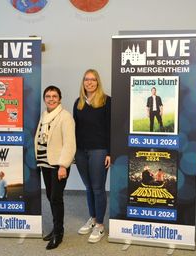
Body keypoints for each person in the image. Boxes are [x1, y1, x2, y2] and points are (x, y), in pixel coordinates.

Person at [34, 85, 76, 250]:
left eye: (54, 96)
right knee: (51, 198)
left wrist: (63, 166)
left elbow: (70, 144)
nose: (51, 99)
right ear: (45, 99)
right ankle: (55, 228)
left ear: (60, 99)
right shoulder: (45, 115)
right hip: (45, 162)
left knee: (56, 198)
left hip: (58, 164)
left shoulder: (65, 117)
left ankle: (59, 233)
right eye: (48, 96)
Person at [73, 69, 111, 243]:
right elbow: (75, 129)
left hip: (99, 150)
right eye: (86, 79)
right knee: (88, 188)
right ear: (83, 82)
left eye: (93, 79)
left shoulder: (106, 101)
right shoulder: (78, 103)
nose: (89, 82)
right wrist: (73, 152)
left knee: (98, 188)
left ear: (98, 82)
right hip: (81, 151)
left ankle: (100, 225)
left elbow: (111, 128)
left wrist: (110, 152)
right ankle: (93, 218)